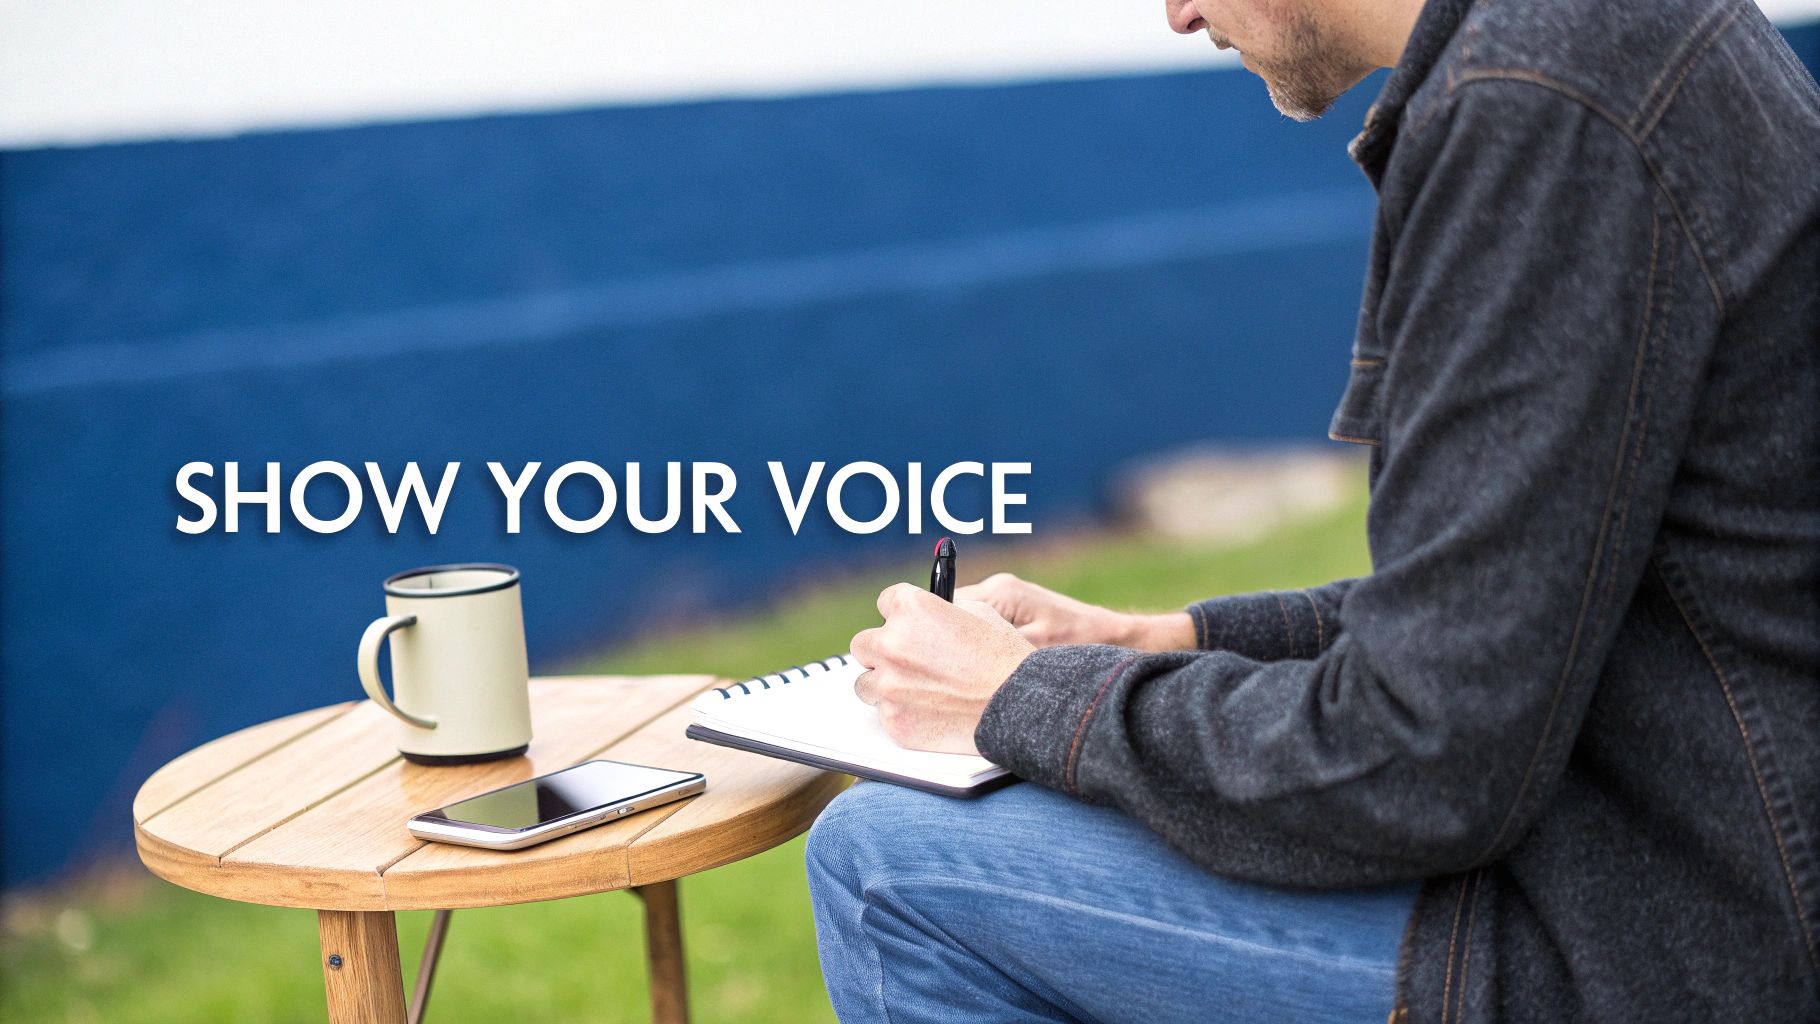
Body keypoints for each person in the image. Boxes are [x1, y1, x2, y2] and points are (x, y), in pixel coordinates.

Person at [803, 0, 1820, 1021]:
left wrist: (1023, 698)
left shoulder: (1533, 101)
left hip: (1667, 948)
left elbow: (1416, 763)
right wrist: (1160, 635)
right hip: (1677, 869)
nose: (1175, 14)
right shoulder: (1588, 39)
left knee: (884, 865)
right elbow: (1515, 588)